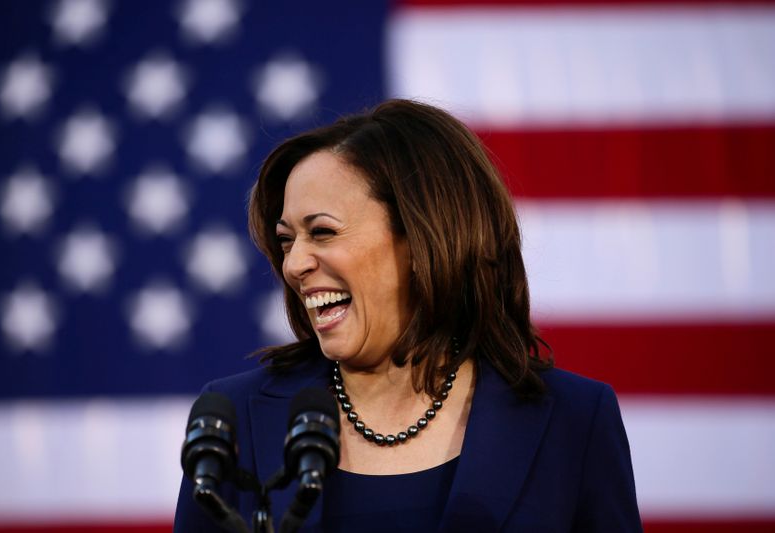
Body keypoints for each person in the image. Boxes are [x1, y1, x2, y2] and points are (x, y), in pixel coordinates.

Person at [174, 99, 642, 532]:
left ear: (423, 239)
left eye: (322, 232)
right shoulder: (234, 419)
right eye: (286, 239)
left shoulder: (573, 421)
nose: (294, 264)